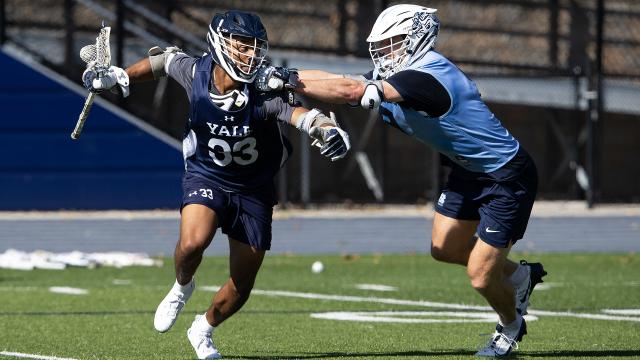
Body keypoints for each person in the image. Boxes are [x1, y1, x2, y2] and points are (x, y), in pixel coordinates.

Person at [257, 4, 547, 357]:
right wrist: (281, 76)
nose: (384, 52)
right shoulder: (404, 75)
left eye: (393, 43)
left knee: (481, 276)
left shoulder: (424, 77)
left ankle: (511, 325)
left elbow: (351, 92)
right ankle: (520, 277)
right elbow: (342, 82)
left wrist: (284, 79)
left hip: (505, 175)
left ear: (418, 37)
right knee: (445, 249)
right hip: (468, 170)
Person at [82, 10, 350, 360]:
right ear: (220, 45)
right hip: (206, 174)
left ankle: (203, 328)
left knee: (241, 285)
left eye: (256, 48)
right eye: (242, 47)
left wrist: (325, 129)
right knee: (193, 243)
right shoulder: (197, 72)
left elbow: (301, 115)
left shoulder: (263, 91)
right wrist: (120, 76)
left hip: (254, 188)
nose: (251, 56)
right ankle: (182, 286)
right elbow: (163, 61)